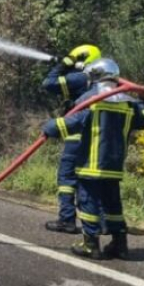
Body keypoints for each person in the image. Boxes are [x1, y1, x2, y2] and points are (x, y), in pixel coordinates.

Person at [42, 58, 144, 260]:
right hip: (114, 166)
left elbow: (67, 124)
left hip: (91, 164)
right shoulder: (129, 102)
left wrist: (49, 127)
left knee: (88, 202)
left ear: (93, 78)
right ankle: (120, 244)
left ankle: (90, 244)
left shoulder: (91, 101)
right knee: (113, 206)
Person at [40, 44, 101, 234]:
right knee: (87, 179)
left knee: (67, 177)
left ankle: (67, 219)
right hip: (97, 137)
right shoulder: (102, 83)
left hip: (77, 134)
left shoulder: (82, 78)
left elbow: (48, 84)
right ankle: (97, 223)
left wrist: (63, 64)